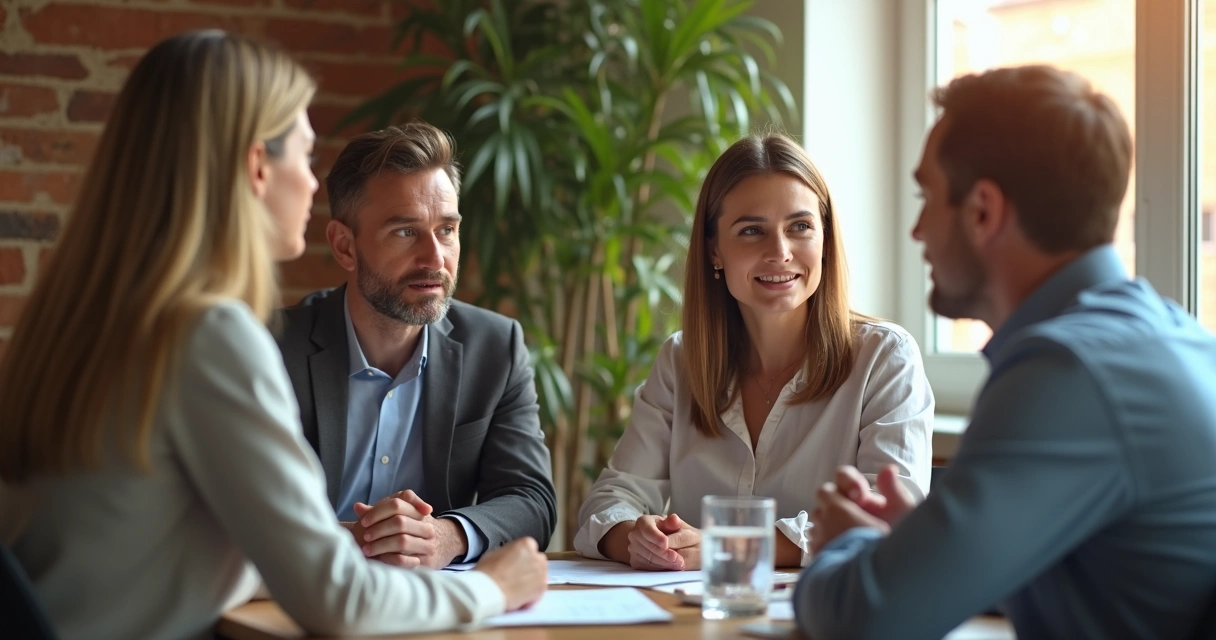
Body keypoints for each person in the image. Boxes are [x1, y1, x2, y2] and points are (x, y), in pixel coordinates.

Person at [0, 31, 546, 640]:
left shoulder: (89, 319)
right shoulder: (209, 334)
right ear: (258, 166)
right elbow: (338, 600)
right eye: (305, 157)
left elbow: (172, 557)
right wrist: (493, 588)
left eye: (446, 228)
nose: (313, 185)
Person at [797, 65, 1216, 640]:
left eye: (927, 196)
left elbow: (865, 619)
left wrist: (847, 546)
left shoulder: (1067, 373)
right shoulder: (1177, 338)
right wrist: (919, 544)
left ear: (983, 211)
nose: (917, 230)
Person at [573, 133, 934, 570]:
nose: (779, 252)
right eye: (751, 231)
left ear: (824, 239)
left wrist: (727, 547)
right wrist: (638, 539)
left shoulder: (885, 358)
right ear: (714, 251)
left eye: (800, 227)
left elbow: (886, 518)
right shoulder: (681, 361)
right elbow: (608, 502)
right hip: (694, 607)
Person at [275, 122, 556, 569]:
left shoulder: (494, 348)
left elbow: (531, 499)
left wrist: (446, 536)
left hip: (435, 599)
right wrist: (354, 540)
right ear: (345, 246)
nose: (434, 258)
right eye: (405, 232)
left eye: (446, 229)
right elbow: (227, 507)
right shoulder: (272, 348)